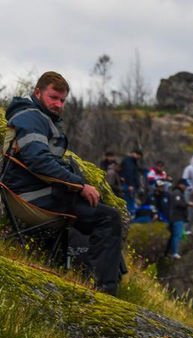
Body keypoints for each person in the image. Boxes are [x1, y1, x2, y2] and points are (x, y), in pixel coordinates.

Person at [3, 72, 125, 293]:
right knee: (109, 218)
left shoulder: (37, 118)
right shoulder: (31, 118)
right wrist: (79, 185)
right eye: (53, 97)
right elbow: (38, 160)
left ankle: (99, 278)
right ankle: (105, 291)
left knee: (103, 211)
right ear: (37, 92)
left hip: (38, 192)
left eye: (62, 100)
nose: (58, 104)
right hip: (33, 198)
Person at [166, 178, 189, 258]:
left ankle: (170, 252)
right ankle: (174, 252)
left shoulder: (178, 193)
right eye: (185, 185)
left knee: (176, 235)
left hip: (177, 217)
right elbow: (178, 203)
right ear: (180, 184)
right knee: (177, 235)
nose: (185, 187)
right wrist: (187, 204)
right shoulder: (177, 193)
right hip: (176, 217)